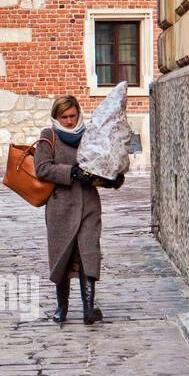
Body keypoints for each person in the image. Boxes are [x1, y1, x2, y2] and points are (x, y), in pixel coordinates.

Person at [34, 94, 124, 325]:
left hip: (88, 204)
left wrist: (112, 178)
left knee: (88, 253)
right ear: (56, 117)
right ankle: (61, 307)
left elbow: (104, 163)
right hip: (60, 206)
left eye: (73, 116)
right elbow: (42, 169)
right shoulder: (48, 136)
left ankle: (88, 310)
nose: (70, 121)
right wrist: (71, 172)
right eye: (64, 117)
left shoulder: (90, 135)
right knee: (62, 257)